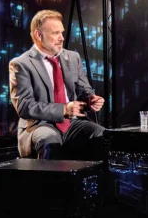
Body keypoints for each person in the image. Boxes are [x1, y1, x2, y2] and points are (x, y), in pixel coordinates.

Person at [9, 9, 105, 160]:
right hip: (40, 124)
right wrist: (64, 109)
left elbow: (84, 90)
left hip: (72, 123)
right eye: (55, 33)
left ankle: (97, 182)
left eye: (62, 32)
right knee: (48, 140)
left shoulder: (72, 57)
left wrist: (91, 99)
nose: (61, 38)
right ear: (38, 35)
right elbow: (24, 106)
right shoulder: (21, 64)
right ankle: (50, 184)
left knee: (102, 135)